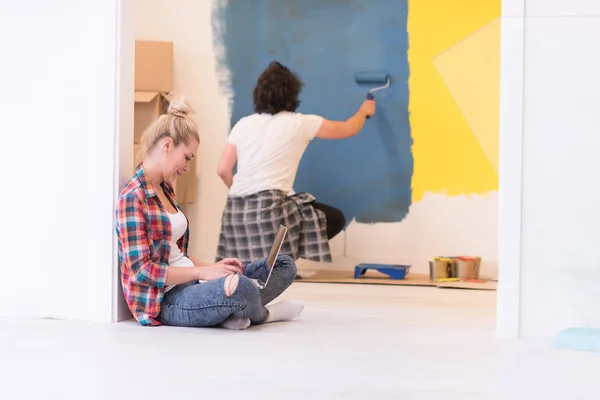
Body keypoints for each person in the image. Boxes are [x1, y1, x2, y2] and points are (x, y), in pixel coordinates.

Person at [115, 94, 303, 330]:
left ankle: (233, 311)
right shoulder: (133, 198)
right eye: (187, 158)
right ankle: (265, 314)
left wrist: (216, 268)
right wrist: (206, 271)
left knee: (284, 265)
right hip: (168, 300)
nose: (187, 167)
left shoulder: (165, 189)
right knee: (242, 287)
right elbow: (143, 272)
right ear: (167, 145)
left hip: (195, 281)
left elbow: (176, 253)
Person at [216, 61, 376, 266]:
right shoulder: (300, 122)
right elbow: (348, 128)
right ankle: (282, 263)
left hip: (234, 214)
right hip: (269, 210)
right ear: (292, 94)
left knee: (244, 272)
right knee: (333, 218)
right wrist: (364, 111)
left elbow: (223, 170)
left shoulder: (244, 123)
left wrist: (246, 199)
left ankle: (273, 264)